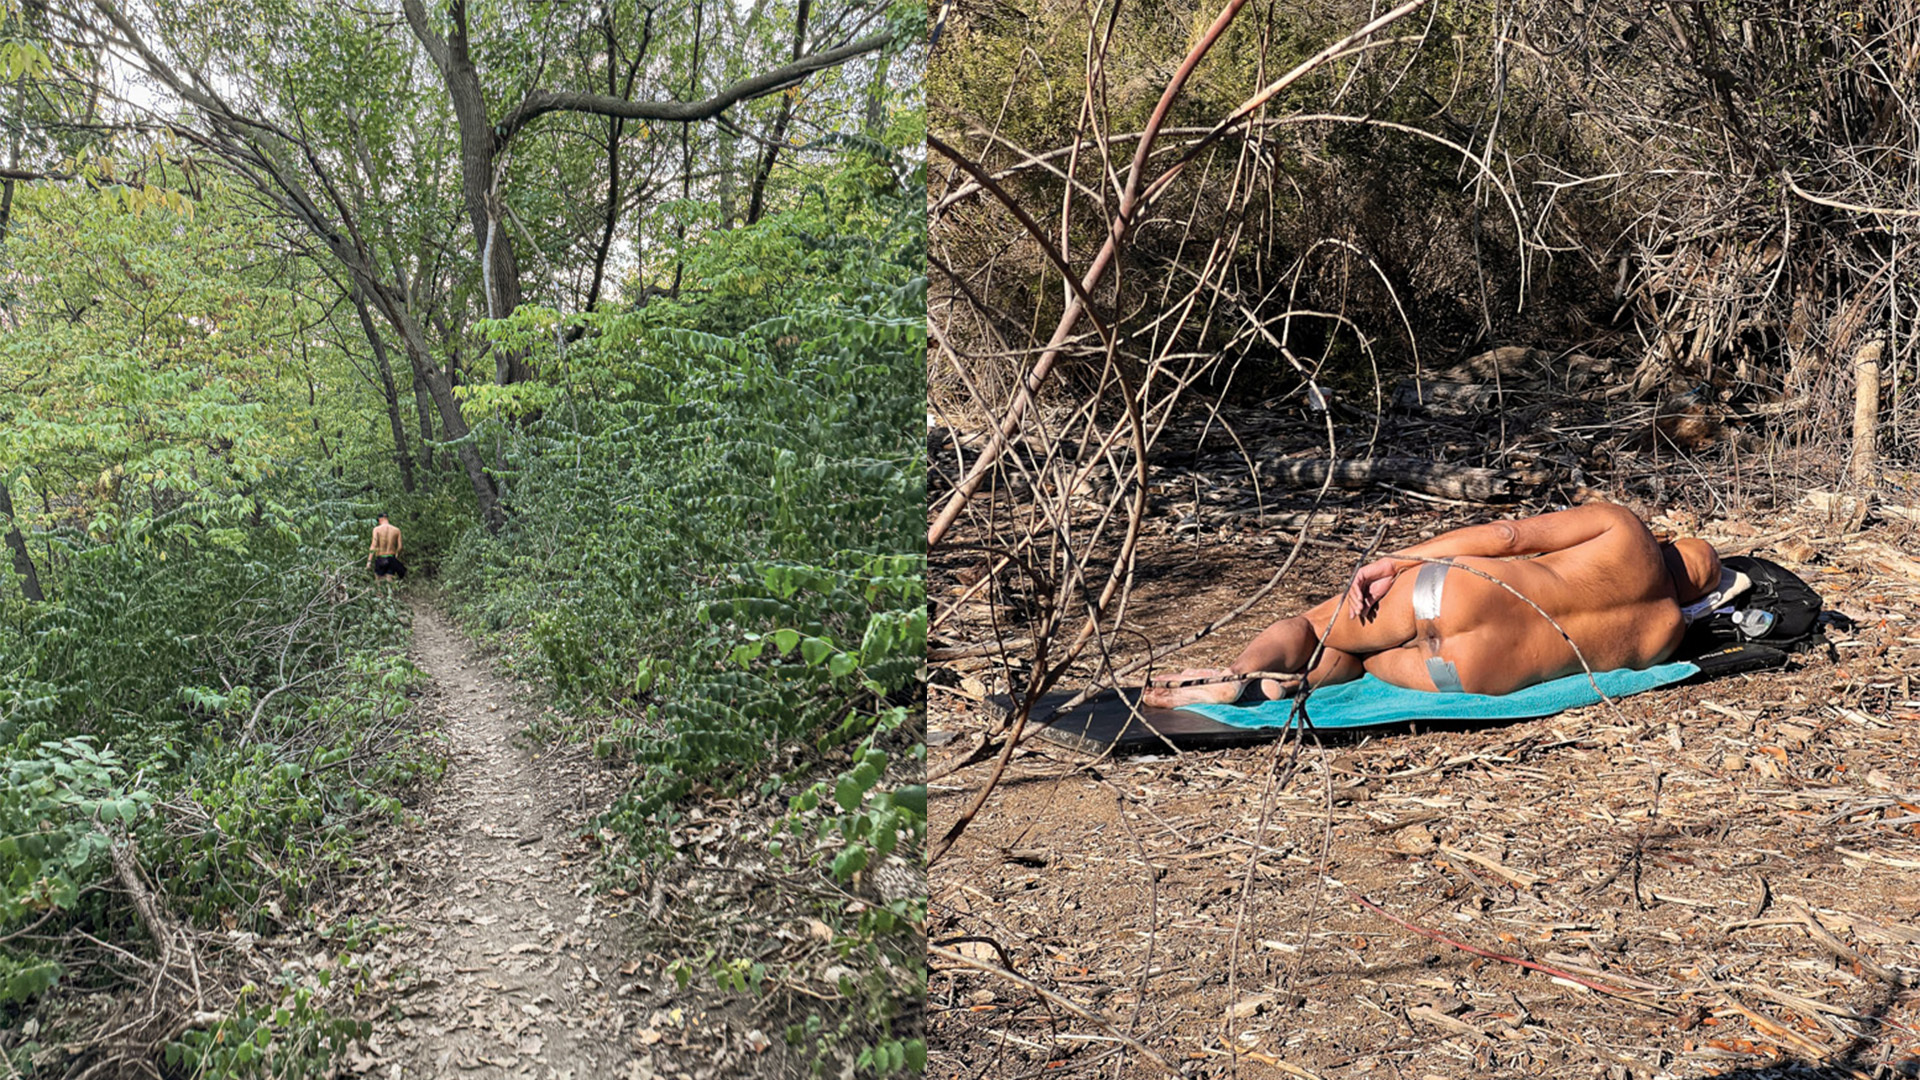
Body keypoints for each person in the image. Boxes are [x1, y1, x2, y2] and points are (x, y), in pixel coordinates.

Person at [1142, 502, 1722, 706]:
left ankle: (1238, 674)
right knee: (1362, 661)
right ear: (1696, 594)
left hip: (1456, 592)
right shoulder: (1667, 634)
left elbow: (1509, 538)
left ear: (1669, 544)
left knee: (1317, 625)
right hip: (1472, 672)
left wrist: (1397, 560)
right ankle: (1292, 684)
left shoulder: (1627, 530)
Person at [368, 513, 405, 580]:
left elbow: (373, 545)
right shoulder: (397, 530)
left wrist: (369, 561)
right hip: (391, 558)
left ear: (380, 519)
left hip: (380, 558)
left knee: (379, 582)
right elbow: (400, 547)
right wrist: (396, 556)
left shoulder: (376, 529)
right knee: (390, 582)